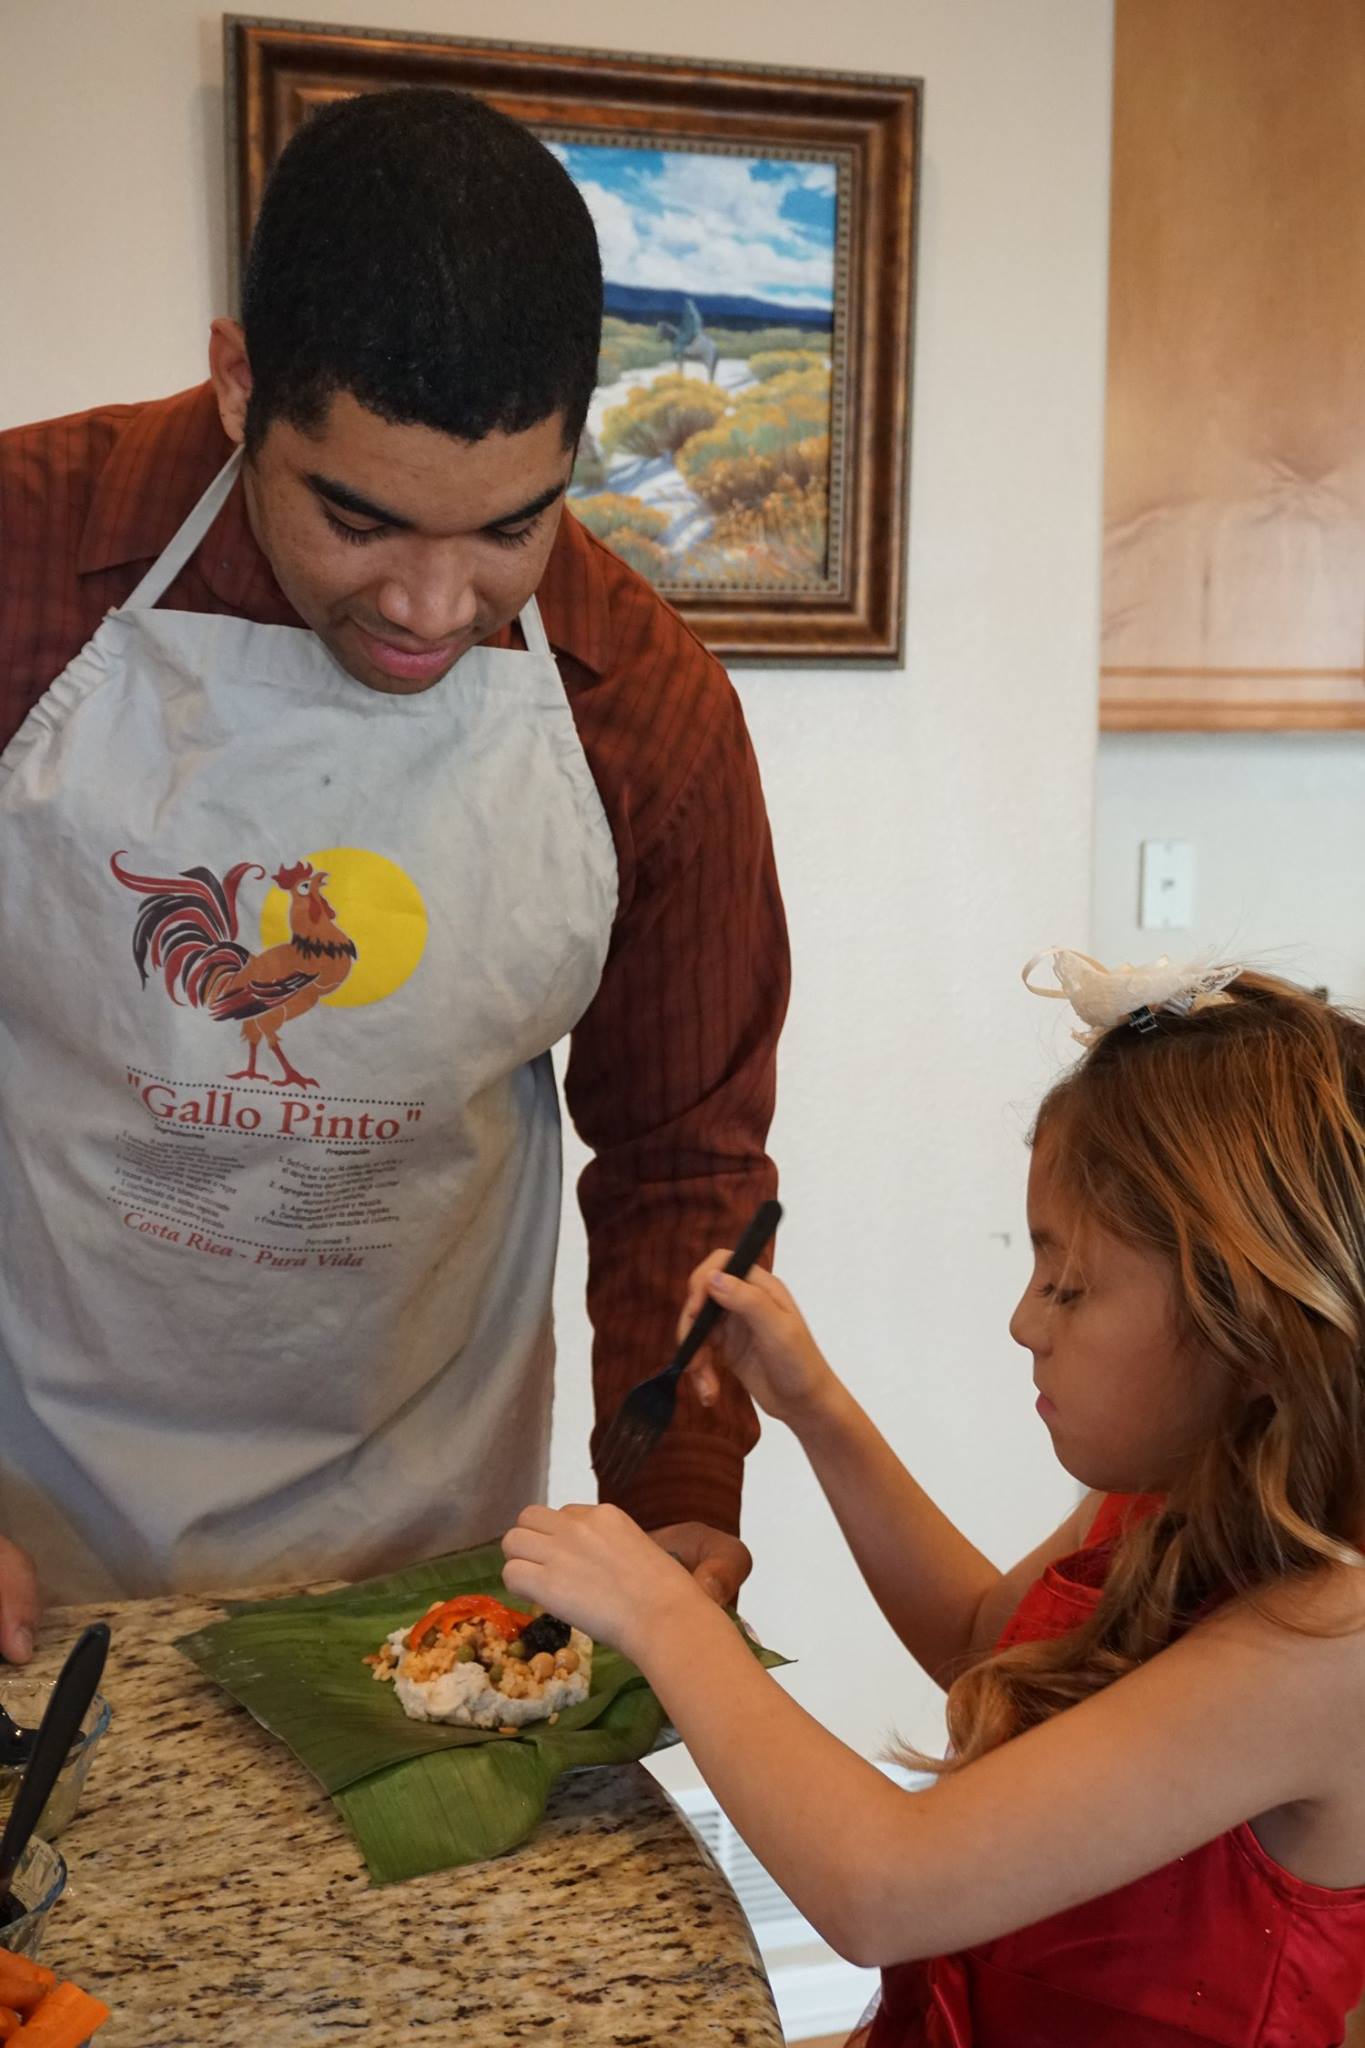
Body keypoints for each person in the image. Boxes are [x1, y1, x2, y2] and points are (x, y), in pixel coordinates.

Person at [0, 88, 787, 1649]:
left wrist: (679, 1491)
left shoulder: (648, 711)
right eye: (358, 518)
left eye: (513, 530)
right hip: (35, 1513)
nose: (434, 606)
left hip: (417, 1552)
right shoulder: (27, 563)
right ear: (239, 385)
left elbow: (682, 1162)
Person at [504, 956, 1365, 2045]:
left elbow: (886, 1887)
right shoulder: (1159, 1498)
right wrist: (815, 1407)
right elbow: (981, 1641)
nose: (1023, 1319)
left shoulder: (1326, 1645)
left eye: (1069, 1283)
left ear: (1253, 1320)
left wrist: (666, 1619)